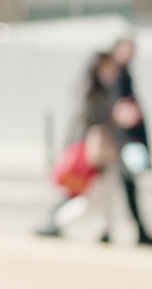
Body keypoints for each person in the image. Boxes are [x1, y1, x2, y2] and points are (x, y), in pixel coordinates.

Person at [35, 52, 125, 241]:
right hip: (91, 152)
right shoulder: (91, 90)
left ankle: (105, 231)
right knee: (88, 198)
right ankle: (55, 222)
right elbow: (87, 121)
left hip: (98, 150)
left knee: (105, 195)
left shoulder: (104, 89)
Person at [110, 36, 152, 247]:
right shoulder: (116, 73)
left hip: (125, 139)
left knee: (123, 186)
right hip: (122, 140)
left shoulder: (123, 73)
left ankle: (136, 230)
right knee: (114, 186)